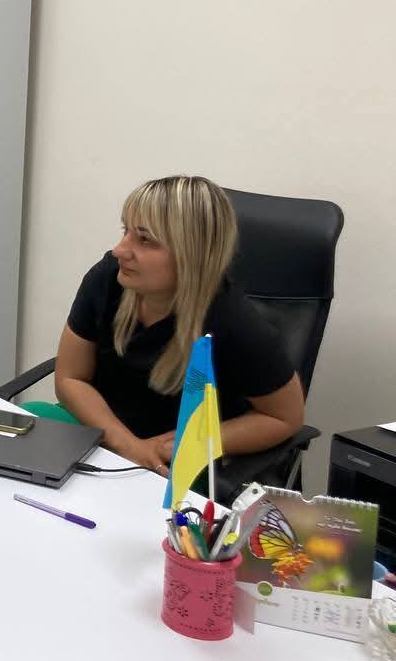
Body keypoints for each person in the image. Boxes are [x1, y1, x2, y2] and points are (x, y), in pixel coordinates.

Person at [52, 175, 304, 474]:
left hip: (173, 459)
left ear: (191, 254)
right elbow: (71, 378)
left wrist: (185, 444)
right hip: (102, 429)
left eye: (145, 239)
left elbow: (284, 418)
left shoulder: (235, 323)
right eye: (126, 231)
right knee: (26, 423)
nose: (120, 250)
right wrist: (128, 446)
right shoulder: (108, 278)